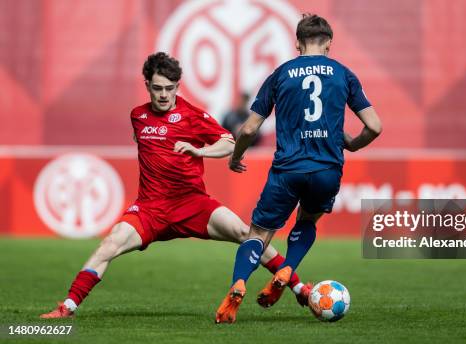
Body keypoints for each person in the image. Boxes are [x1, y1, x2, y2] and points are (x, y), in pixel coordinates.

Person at [40, 52, 310, 319]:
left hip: (191, 204)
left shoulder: (191, 115)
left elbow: (228, 142)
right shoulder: (138, 117)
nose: (163, 95)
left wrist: (199, 152)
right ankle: (67, 308)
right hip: (150, 209)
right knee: (109, 244)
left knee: (245, 232)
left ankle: (297, 287)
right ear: (147, 85)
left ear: (178, 87)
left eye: (170, 89)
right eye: (157, 88)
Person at [215, 14, 382, 324]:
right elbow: (374, 126)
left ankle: (238, 284)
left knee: (259, 234)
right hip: (326, 169)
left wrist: (235, 156)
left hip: (287, 169)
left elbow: (249, 129)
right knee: (307, 219)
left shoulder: (280, 74)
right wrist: (353, 144)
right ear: (330, 42)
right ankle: (288, 267)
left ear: (297, 43)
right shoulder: (344, 74)